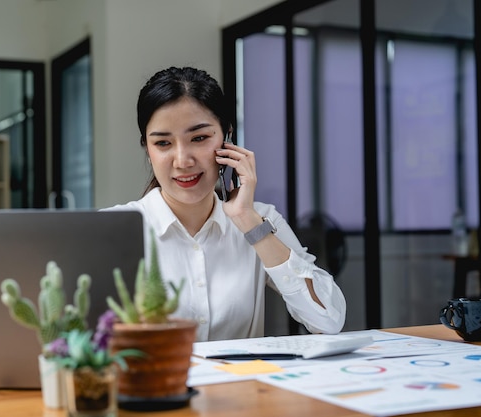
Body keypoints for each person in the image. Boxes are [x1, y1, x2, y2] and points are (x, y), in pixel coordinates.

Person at [103, 66, 346, 342]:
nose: (182, 161)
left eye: (199, 138)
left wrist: (248, 222)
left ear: (228, 139)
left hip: (242, 386)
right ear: (148, 149)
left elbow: (329, 320)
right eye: (163, 143)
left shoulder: (260, 220)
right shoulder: (113, 229)